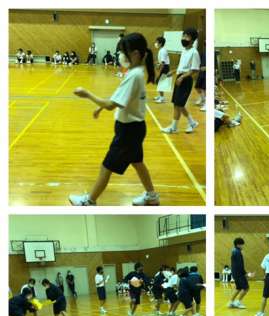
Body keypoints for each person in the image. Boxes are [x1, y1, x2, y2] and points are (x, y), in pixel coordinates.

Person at [69, 33, 159, 206]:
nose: (121, 55)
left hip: (128, 131)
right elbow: (120, 98)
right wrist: (100, 107)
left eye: (123, 51)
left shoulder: (134, 75)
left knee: (107, 166)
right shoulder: (136, 72)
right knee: (137, 162)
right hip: (135, 128)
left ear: (135, 54)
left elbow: (112, 104)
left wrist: (87, 94)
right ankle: (152, 196)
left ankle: (89, 201)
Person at [162, 28, 200, 134]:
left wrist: (182, 77)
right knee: (178, 103)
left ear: (192, 40)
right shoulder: (184, 50)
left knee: (178, 104)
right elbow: (182, 67)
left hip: (186, 80)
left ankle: (174, 128)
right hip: (180, 77)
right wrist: (174, 71)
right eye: (183, 36)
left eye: (187, 37)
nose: (184, 38)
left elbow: (194, 70)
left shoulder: (194, 52)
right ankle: (192, 122)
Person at [228, 237, 254, 309]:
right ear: (238, 245)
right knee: (246, 288)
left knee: (238, 288)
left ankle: (231, 302)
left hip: (235, 273)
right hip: (239, 274)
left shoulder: (234, 251)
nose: (243, 246)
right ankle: (238, 302)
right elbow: (239, 265)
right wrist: (246, 274)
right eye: (242, 244)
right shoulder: (237, 252)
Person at [153, 36, 170, 103]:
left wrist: (159, 72)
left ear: (160, 43)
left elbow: (163, 63)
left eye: (157, 42)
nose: (155, 43)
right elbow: (161, 62)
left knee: (161, 83)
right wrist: (157, 64)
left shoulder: (163, 51)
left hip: (164, 68)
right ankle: (160, 96)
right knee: (158, 82)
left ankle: (162, 98)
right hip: (163, 67)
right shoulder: (161, 50)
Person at [194, 46, 206, 111]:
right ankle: (202, 98)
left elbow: (214, 65)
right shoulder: (203, 52)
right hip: (201, 72)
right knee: (197, 87)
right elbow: (199, 62)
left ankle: (206, 104)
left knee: (204, 89)